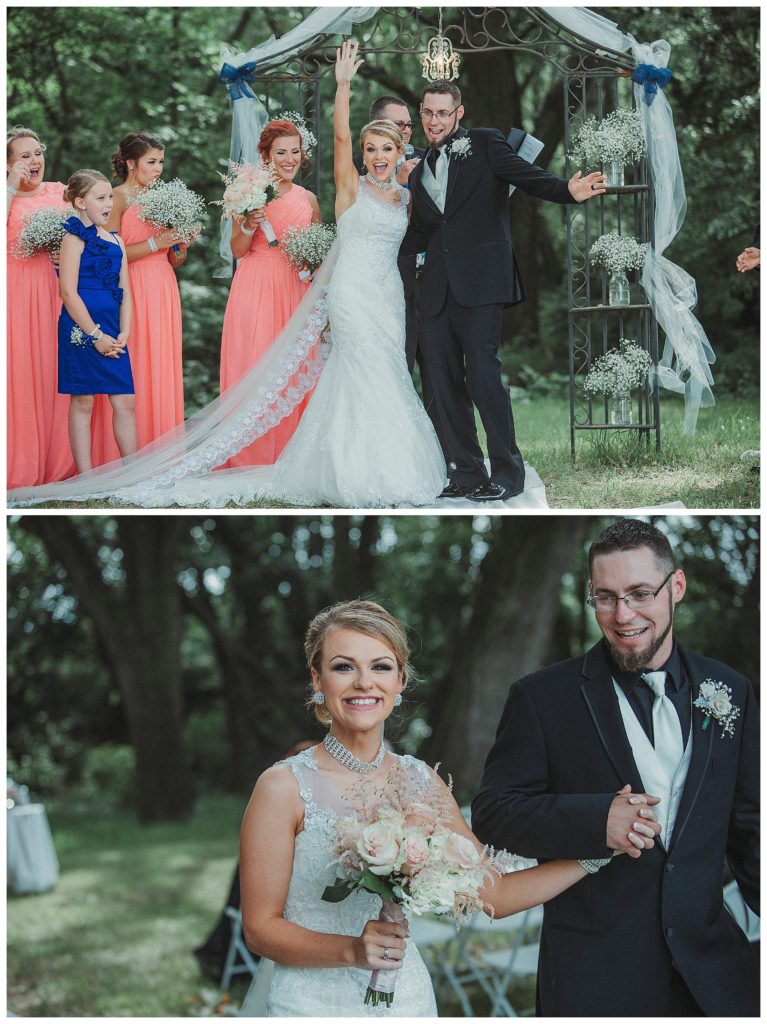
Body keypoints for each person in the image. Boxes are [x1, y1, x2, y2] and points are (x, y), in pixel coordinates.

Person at [239, 599, 655, 1016]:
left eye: (381, 667)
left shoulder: (423, 782)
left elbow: (494, 895)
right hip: (310, 1004)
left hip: (406, 1000)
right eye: (344, 667)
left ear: (400, 681)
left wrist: (599, 845)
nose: (364, 682)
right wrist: (351, 951)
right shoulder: (283, 786)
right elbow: (259, 930)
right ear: (317, 678)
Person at [472, 518, 760, 1017]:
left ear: (677, 587)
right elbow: (493, 813)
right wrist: (595, 821)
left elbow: (749, 825)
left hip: (716, 978)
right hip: (594, 978)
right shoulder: (543, 698)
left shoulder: (728, 689)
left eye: (640, 593)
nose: (622, 615)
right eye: (604, 597)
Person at [403, 80, 606, 502]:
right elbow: (420, 232)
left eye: (443, 112)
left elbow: (528, 177)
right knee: (441, 384)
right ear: (420, 114)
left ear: (459, 113)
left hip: (481, 285)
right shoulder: (419, 167)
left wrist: (567, 190)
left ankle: (508, 473)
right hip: (435, 291)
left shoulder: (485, 143)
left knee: (483, 377)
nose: (435, 120)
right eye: (428, 112)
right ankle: (466, 470)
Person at [220, 118, 321, 466]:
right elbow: (237, 249)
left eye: (295, 151)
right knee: (257, 364)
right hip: (257, 285)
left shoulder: (309, 198)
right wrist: (248, 223)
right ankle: (253, 453)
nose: (289, 159)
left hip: (296, 289)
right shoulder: (245, 193)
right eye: (281, 152)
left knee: (295, 366)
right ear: (266, 155)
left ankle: (295, 453)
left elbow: (317, 249)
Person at [101, 131, 187, 460]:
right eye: (151, 162)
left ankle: (162, 451)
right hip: (129, 286)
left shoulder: (164, 199)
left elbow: (175, 259)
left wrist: (179, 245)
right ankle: (125, 454)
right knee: (134, 362)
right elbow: (108, 255)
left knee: (161, 362)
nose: (158, 168)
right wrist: (156, 242)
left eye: (161, 162)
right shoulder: (116, 197)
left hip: (163, 286)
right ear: (131, 163)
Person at [6, 125, 75, 488]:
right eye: (24, 156)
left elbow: (87, 233)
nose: (35, 161)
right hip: (15, 295)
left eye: (38, 152)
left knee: (54, 370)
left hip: (55, 292)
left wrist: (67, 254)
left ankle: (60, 463)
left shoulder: (59, 192)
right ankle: (19, 463)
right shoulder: (6, 196)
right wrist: (9, 187)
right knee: (19, 373)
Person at [58, 169, 136, 472]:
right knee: (83, 401)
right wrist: (94, 335)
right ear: (80, 202)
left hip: (113, 331)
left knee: (125, 402)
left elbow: (126, 290)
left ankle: (134, 474)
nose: (108, 203)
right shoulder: (73, 238)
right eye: (100, 198)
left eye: (110, 197)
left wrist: (124, 330)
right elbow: (67, 291)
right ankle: (86, 476)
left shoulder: (117, 242)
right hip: (81, 328)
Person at [353, 96, 423, 373]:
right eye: (398, 124)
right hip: (374, 279)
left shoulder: (425, 157)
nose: (405, 130)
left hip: (424, 276)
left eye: (409, 124)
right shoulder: (362, 164)